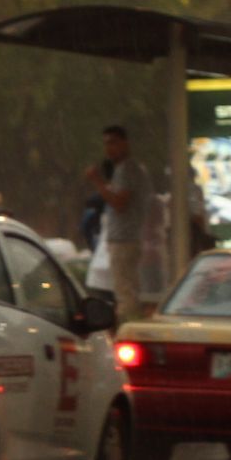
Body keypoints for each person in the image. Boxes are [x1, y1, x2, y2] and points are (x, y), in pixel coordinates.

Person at [84, 125, 152, 318]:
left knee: (125, 291)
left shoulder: (127, 169)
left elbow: (119, 203)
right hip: (125, 238)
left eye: (113, 143)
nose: (109, 148)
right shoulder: (123, 170)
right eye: (106, 144)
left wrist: (97, 181)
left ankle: (126, 328)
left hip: (124, 238)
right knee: (127, 287)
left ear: (124, 143)